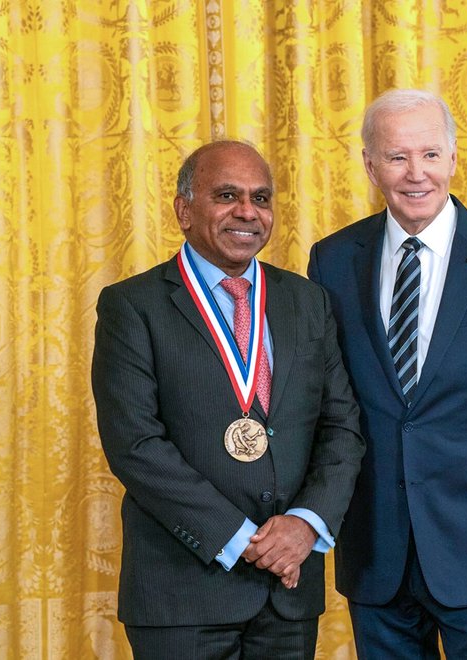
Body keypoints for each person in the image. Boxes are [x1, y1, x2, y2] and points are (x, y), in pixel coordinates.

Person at [307, 89, 467, 659]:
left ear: (453, 159)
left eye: (429, 155)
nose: (415, 174)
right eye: (398, 157)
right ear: (370, 165)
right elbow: (329, 401)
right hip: (376, 546)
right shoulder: (331, 259)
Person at [92, 140, 365, 660]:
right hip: (181, 595)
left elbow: (342, 427)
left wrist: (305, 525)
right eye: (227, 195)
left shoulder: (307, 301)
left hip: (289, 592)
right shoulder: (133, 306)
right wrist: (243, 540)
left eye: (261, 199)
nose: (247, 211)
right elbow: (136, 445)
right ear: (184, 210)